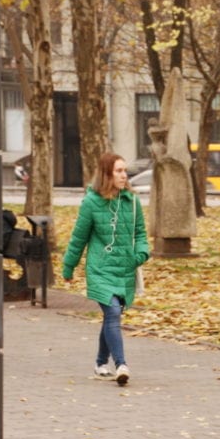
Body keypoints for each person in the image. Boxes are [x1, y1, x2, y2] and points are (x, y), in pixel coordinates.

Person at [61, 152, 150, 386]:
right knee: (112, 313)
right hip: (100, 269)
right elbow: (78, 238)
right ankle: (121, 364)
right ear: (106, 174)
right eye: (119, 171)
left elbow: (140, 233)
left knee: (112, 315)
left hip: (124, 268)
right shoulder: (91, 203)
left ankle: (101, 361)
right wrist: (68, 268)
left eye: (124, 171)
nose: (124, 175)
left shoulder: (132, 202)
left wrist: (141, 253)